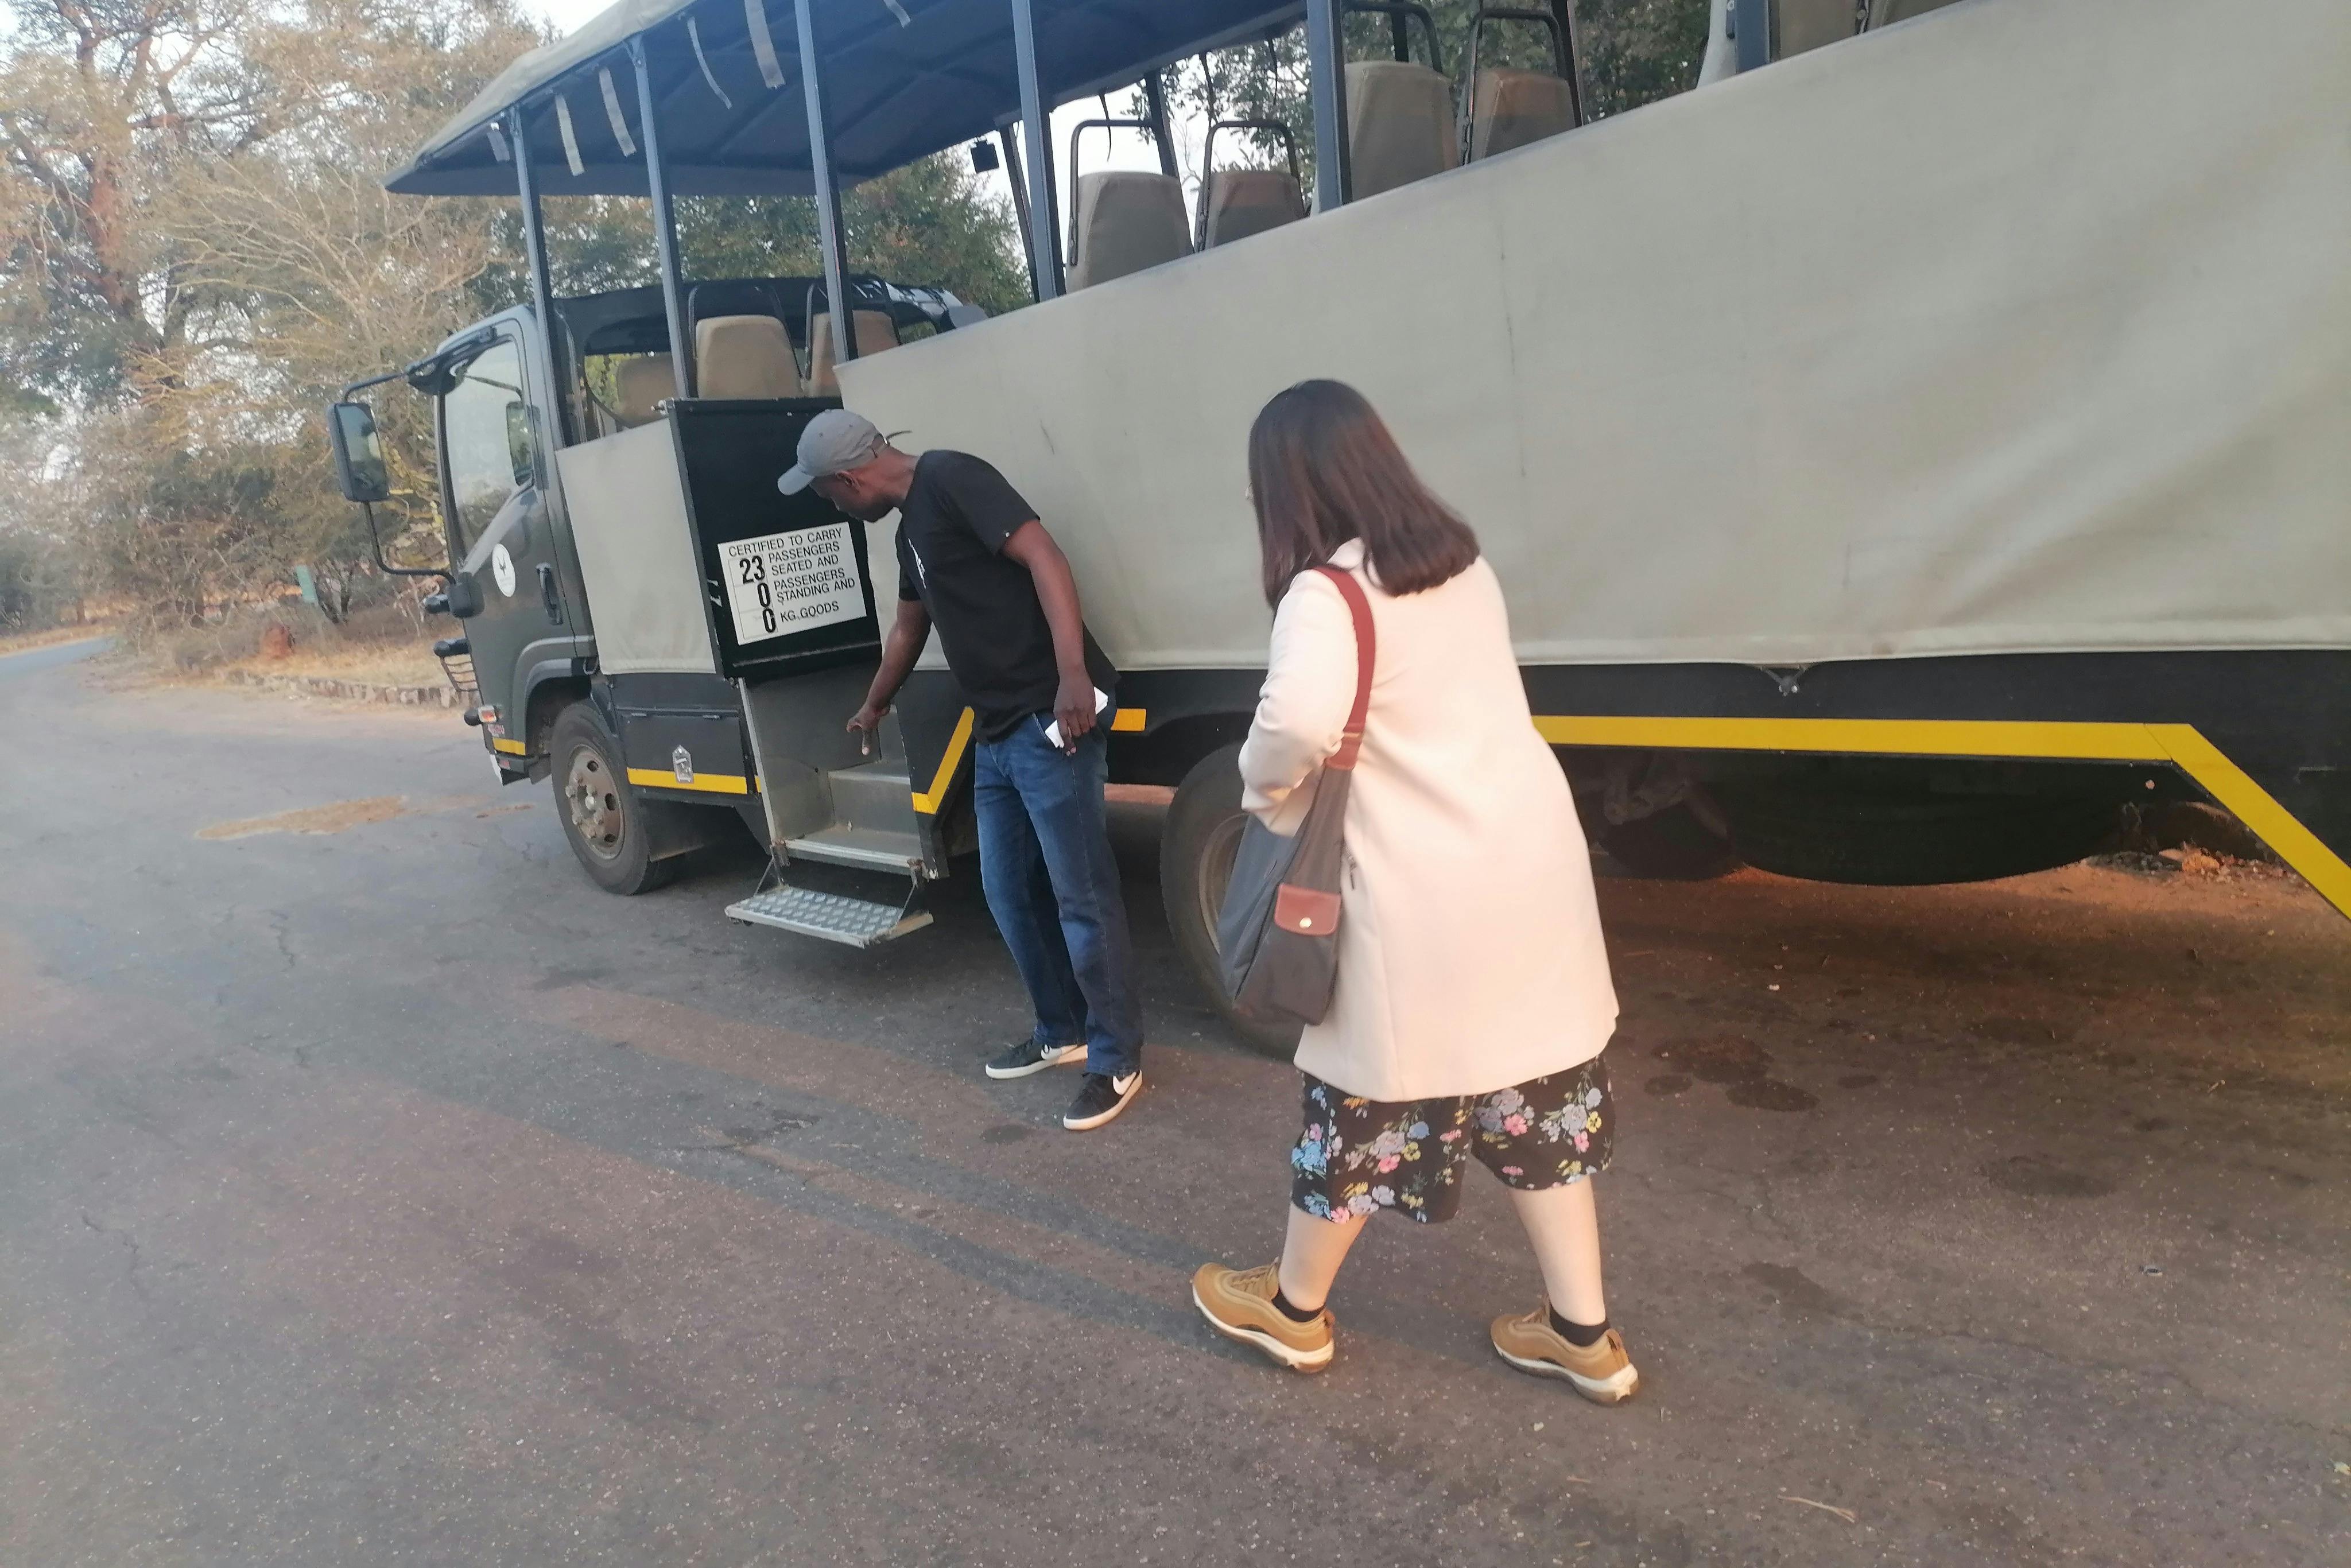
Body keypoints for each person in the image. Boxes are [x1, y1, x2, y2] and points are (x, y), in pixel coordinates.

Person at [1189, 381, 1636, 1400]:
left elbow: (1293, 732)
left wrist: (1260, 790)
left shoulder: (1328, 594)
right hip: (1528, 873)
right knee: (1538, 1100)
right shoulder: (1459, 561)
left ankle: (1294, 1313)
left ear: (1285, 489)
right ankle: (1582, 1331)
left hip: (1420, 892)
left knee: (1362, 1102)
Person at [777, 409, 1146, 1131]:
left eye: (826, 493)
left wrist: (1073, 675)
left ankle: (1117, 1055)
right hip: (997, 732)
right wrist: (873, 704)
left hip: (1050, 720)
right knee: (1007, 890)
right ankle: (1061, 1029)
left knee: (1083, 895)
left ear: (851, 479)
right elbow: (910, 626)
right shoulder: (907, 527)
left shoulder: (951, 478)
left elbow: (1045, 556)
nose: (832, 505)